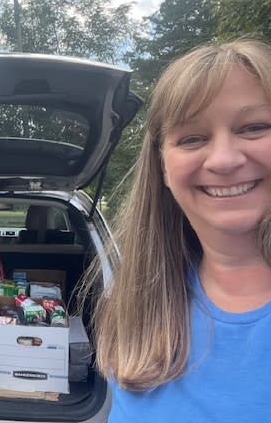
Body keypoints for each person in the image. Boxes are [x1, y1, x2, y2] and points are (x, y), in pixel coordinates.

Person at [83, 38, 271, 422]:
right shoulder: (137, 308)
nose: (223, 159)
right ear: (164, 168)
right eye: (192, 138)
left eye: (254, 127)